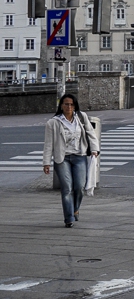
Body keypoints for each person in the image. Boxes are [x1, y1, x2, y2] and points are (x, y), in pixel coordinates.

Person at [43, 94, 100, 228]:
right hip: (62, 158)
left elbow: (91, 133)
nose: (69, 107)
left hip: (79, 156)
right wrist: (46, 163)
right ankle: (69, 218)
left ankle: (75, 208)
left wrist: (94, 150)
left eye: (72, 104)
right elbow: (48, 144)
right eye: (66, 104)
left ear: (75, 106)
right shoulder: (53, 122)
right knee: (67, 188)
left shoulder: (81, 117)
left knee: (79, 186)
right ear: (61, 105)